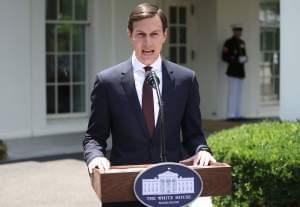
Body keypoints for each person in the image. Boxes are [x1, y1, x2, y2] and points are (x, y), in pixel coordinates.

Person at [83, 3, 215, 206]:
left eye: (154, 34)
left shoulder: (185, 79)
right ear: (129, 35)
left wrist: (202, 150)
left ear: (165, 35)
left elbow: (194, 134)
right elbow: (94, 137)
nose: (147, 42)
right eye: (140, 34)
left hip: (172, 192)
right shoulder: (107, 82)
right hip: (123, 192)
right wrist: (95, 158)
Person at [222, 24, 248, 120]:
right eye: (237, 30)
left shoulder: (242, 42)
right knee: (233, 93)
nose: (239, 32)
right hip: (232, 71)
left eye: (240, 31)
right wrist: (235, 59)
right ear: (234, 31)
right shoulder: (229, 42)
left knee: (239, 93)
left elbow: (244, 54)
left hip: (240, 71)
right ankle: (231, 115)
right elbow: (224, 57)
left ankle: (237, 114)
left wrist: (244, 59)